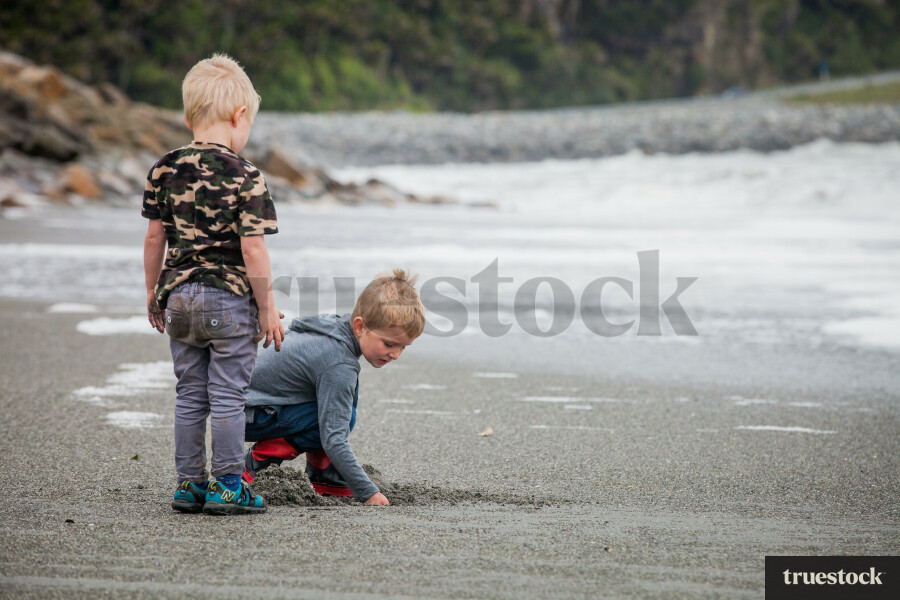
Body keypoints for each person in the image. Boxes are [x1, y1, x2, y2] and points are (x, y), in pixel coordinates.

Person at [142, 54, 283, 515]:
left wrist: (152, 293)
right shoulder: (246, 175)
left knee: (190, 394)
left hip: (179, 298)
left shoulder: (163, 168)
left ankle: (189, 485)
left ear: (188, 116)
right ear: (240, 115)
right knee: (227, 396)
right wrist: (267, 307)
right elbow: (253, 250)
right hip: (229, 301)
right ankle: (227, 485)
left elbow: (154, 237)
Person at [241, 269, 425, 506]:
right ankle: (259, 460)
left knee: (341, 407)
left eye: (403, 347)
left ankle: (323, 472)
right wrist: (368, 492)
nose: (396, 354)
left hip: (247, 404)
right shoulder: (339, 362)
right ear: (360, 326)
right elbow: (334, 437)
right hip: (245, 414)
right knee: (340, 416)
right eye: (389, 343)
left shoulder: (333, 328)